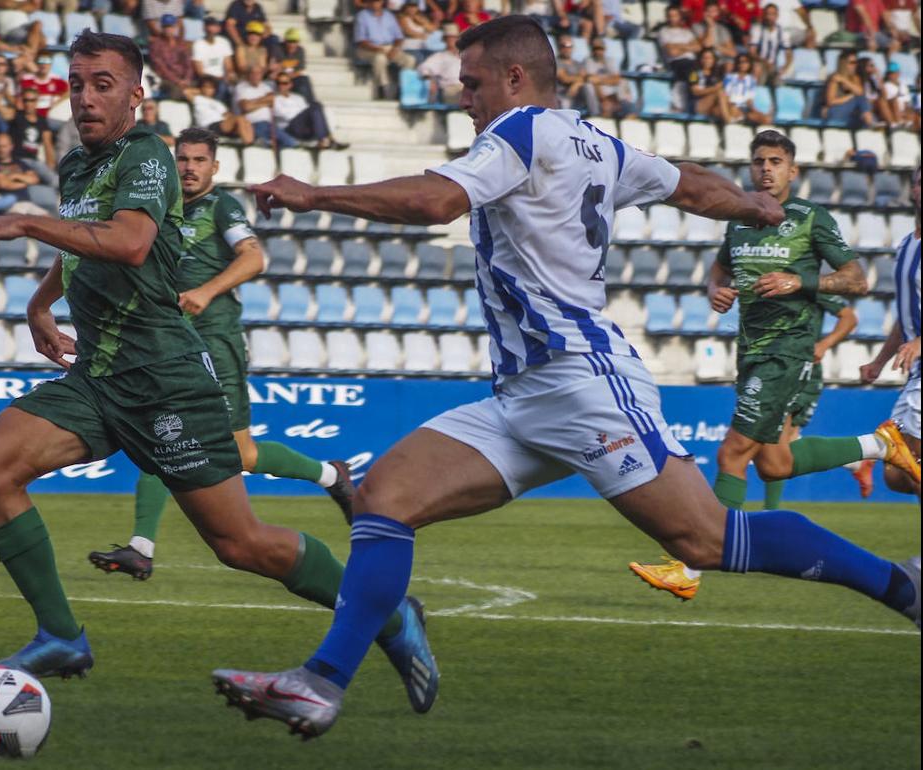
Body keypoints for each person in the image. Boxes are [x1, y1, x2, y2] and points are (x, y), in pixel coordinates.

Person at [210, 17, 920, 737]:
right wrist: (752, 203)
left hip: (583, 382)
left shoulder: (520, 133)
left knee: (703, 540)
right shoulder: (597, 142)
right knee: (384, 498)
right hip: (527, 394)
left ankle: (902, 584)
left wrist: (314, 194)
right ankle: (322, 682)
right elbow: (691, 184)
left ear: (515, 79)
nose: (464, 98)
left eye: (473, 82)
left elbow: (435, 203)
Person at [0, 33, 435, 707]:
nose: (87, 97)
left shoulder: (147, 155)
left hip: (164, 377)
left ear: (135, 93)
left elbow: (128, 242)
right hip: (99, 376)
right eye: (77, 83)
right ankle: (61, 634)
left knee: (241, 545)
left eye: (103, 84)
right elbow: (82, 250)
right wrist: (41, 304)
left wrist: (24, 224)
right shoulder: (75, 167)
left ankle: (389, 615)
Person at [631, 131, 919, 599]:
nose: (766, 169)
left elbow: (857, 280)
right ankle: (880, 444)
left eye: (776, 161)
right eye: (759, 161)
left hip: (788, 351)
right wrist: (715, 292)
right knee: (774, 463)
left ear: (793, 170)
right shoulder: (740, 220)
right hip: (750, 349)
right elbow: (719, 271)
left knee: (730, 454)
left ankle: (689, 568)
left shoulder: (810, 218)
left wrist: (799, 280)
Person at [87, 126, 358, 578]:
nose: (189, 168)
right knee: (161, 433)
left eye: (198, 160)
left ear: (215, 166)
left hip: (215, 341)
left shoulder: (222, 207)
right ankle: (141, 546)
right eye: (183, 159)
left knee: (242, 455)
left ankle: (331, 475)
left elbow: (253, 258)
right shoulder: (162, 209)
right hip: (169, 344)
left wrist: (207, 292)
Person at [860, 166, 922, 498]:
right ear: (913, 190)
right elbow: (904, 318)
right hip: (915, 374)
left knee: (909, 464)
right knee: (897, 473)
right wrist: (880, 361)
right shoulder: (905, 247)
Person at [354, 0, 416, 99]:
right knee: (380, 58)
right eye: (373, 2)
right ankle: (382, 88)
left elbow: (399, 37)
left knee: (410, 59)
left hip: (388, 47)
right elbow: (361, 41)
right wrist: (377, 49)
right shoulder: (362, 16)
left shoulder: (389, 16)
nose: (375, 4)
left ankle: (402, 89)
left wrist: (394, 49)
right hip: (367, 48)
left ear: (382, 2)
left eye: (378, 1)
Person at [271, 72, 343, 148]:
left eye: (285, 83)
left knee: (317, 106)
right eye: (279, 83)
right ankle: (326, 140)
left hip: (303, 127)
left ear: (290, 85)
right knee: (315, 106)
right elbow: (287, 116)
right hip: (290, 128)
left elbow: (307, 114)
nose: (282, 86)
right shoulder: (275, 99)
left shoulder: (298, 98)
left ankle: (325, 140)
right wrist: (306, 116)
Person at [188, 74, 253, 143]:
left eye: (211, 88)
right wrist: (201, 91)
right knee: (239, 119)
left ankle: (250, 142)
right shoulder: (198, 99)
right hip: (209, 126)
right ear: (201, 87)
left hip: (221, 125)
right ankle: (248, 143)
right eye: (206, 87)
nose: (208, 89)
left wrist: (230, 117)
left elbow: (228, 115)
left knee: (245, 120)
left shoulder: (219, 103)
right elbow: (187, 92)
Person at [9, 86, 57, 171]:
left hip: (33, 162)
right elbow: (5, 113)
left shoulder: (42, 121)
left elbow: (47, 144)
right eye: (26, 100)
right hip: (18, 160)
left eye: (32, 100)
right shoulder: (17, 117)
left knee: (54, 180)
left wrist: (51, 166)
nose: (28, 103)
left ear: (36, 101)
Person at [583, 35, 633, 117]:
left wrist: (600, 79)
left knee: (623, 81)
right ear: (592, 50)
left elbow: (617, 79)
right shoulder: (589, 61)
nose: (598, 51)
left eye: (600, 49)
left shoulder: (610, 60)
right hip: (600, 88)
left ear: (604, 49)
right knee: (588, 86)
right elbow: (592, 80)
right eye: (595, 49)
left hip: (610, 87)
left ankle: (623, 107)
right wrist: (603, 98)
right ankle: (596, 113)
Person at [823, 50, 874, 129]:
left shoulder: (855, 78)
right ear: (844, 63)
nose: (855, 65)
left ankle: (870, 125)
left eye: (856, 62)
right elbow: (830, 102)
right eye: (852, 62)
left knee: (862, 102)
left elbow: (860, 91)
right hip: (835, 111)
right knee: (860, 99)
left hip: (851, 114)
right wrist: (850, 97)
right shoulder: (834, 78)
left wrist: (844, 80)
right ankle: (871, 125)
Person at [149, 14, 195, 99]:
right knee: (176, 91)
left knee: (203, 87)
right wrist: (177, 81)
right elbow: (160, 68)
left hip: (184, 78)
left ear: (175, 28)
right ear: (162, 28)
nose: (169, 30)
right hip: (166, 80)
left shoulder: (181, 43)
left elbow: (188, 63)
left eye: (171, 27)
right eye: (166, 27)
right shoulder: (156, 44)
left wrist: (187, 78)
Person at [0, 131, 42, 201]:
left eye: (4, 146)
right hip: (9, 202)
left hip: (27, 202)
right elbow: (3, 184)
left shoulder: (20, 163)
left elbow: (34, 179)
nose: (1, 150)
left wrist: (15, 176)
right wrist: (25, 183)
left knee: (47, 212)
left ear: (11, 146)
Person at [192, 16, 236, 99]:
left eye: (213, 26)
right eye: (208, 26)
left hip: (223, 77)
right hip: (207, 79)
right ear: (204, 28)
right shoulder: (198, 44)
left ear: (218, 28)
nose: (211, 29)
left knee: (236, 83)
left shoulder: (224, 42)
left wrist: (229, 74)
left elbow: (229, 66)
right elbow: (200, 72)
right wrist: (218, 79)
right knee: (221, 86)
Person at [419, 23, 464, 105]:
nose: (451, 40)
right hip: (451, 89)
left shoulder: (466, 55)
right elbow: (424, 68)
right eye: (448, 38)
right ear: (444, 40)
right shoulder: (440, 56)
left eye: (454, 38)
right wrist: (430, 80)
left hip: (467, 88)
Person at [233, 64, 278, 146]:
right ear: (248, 75)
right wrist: (265, 101)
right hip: (253, 124)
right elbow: (246, 107)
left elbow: (272, 99)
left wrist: (252, 102)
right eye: (253, 73)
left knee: (291, 143)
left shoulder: (266, 87)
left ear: (262, 75)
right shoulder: (241, 87)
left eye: (258, 73)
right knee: (265, 145)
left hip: (270, 126)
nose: (255, 76)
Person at [748, 3, 792, 84]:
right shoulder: (757, 29)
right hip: (760, 62)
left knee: (780, 78)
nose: (770, 17)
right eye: (767, 14)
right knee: (757, 68)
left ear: (777, 16)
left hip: (774, 65)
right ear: (764, 15)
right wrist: (765, 62)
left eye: (772, 14)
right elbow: (752, 52)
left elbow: (788, 53)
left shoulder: (782, 31)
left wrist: (785, 66)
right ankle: (757, 92)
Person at [723, 52, 771, 124]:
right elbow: (726, 97)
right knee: (734, 109)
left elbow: (749, 101)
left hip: (745, 109)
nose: (742, 64)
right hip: (732, 106)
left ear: (749, 64)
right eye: (740, 62)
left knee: (767, 119)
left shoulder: (752, 80)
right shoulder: (729, 78)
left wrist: (757, 112)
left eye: (745, 62)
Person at [18, 54, 68, 120]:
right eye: (41, 62)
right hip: (29, 118)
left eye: (47, 63)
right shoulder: (26, 80)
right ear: (37, 64)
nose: (44, 65)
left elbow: (69, 91)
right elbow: (19, 102)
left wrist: (57, 102)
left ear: (51, 65)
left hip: (51, 118)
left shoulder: (57, 80)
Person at [658, 5, 701, 81]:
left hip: (692, 62)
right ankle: (695, 87)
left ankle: (697, 87)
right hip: (676, 63)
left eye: (675, 15)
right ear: (666, 17)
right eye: (670, 16)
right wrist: (689, 46)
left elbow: (698, 48)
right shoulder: (664, 32)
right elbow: (672, 52)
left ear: (680, 16)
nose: (672, 18)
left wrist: (678, 46)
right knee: (692, 73)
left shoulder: (687, 32)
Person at [689, 47, 732, 122]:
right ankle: (729, 122)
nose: (706, 60)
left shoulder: (716, 73)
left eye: (709, 58)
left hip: (712, 107)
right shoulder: (694, 73)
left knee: (727, 106)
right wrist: (715, 88)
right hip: (697, 105)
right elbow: (695, 92)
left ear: (714, 60)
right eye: (704, 58)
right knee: (720, 92)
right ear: (700, 59)